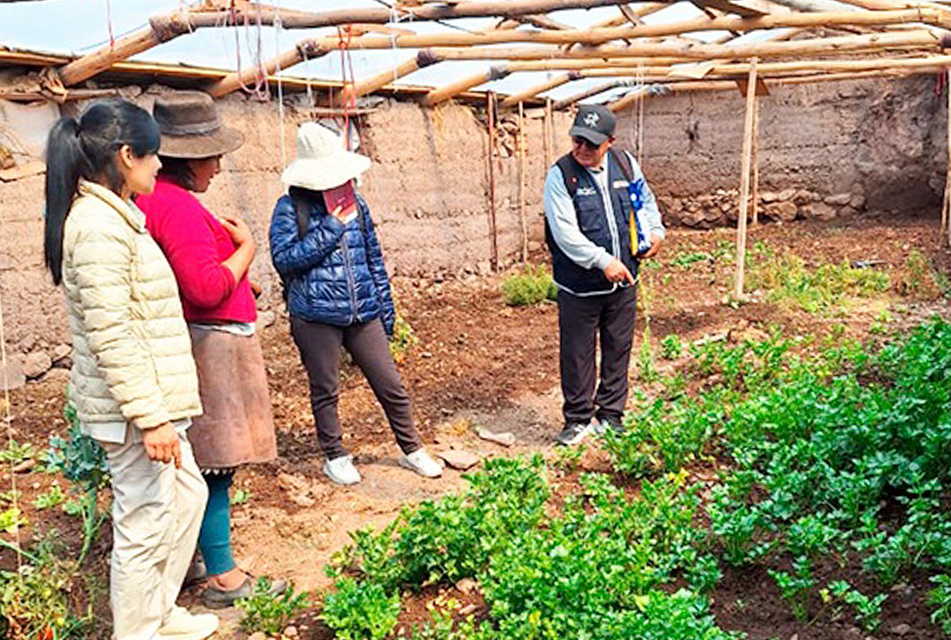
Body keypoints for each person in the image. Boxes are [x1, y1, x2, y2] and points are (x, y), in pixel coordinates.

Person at [43, 98, 217, 640]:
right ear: (125, 156)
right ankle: (137, 632)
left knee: (187, 496)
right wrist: (149, 418)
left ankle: (157, 614)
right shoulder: (97, 228)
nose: (160, 167)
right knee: (144, 522)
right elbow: (111, 333)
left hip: (153, 401)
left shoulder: (116, 219)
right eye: (152, 157)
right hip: (134, 412)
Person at [136, 91, 277, 608]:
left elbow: (181, 275)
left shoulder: (152, 202)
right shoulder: (179, 208)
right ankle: (223, 576)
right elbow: (204, 288)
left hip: (196, 339)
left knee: (201, 464)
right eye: (213, 155)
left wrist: (243, 280)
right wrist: (246, 252)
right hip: (212, 347)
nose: (218, 166)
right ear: (189, 157)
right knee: (216, 463)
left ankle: (195, 555)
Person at [269, 122, 443, 485]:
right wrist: (330, 228)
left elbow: (373, 258)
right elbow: (285, 259)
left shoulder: (357, 205)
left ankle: (412, 448)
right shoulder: (289, 208)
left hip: (362, 310)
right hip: (315, 315)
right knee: (326, 389)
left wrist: (386, 310)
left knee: (390, 384)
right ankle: (335, 455)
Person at [543, 104, 665, 447]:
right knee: (578, 351)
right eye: (577, 140)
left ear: (609, 142)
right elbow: (565, 232)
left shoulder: (626, 165)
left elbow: (646, 204)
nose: (581, 148)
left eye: (590, 144)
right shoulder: (561, 175)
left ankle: (610, 415)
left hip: (625, 279)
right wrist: (602, 261)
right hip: (580, 286)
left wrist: (655, 234)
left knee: (618, 347)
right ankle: (578, 419)